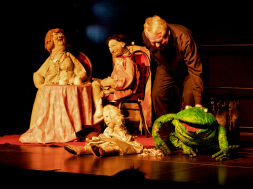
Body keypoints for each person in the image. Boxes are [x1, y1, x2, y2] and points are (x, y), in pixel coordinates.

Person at [142, 15, 204, 142]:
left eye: (161, 41)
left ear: (168, 33)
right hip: (166, 66)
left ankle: (187, 136)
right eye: (154, 42)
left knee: (189, 97)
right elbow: (155, 55)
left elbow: (195, 70)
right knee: (157, 95)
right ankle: (166, 135)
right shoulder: (146, 36)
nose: (158, 45)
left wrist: (199, 103)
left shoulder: (184, 38)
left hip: (188, 69)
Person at [92, 34, 140, 124]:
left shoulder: (128, 61)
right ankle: (99, 111)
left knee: (97, 87)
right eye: (109, 47)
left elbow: (129, 80)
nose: (111, 49)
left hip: (125, 88)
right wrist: (107, 80)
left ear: (122, 44)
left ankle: (99, 111)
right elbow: (115, 75)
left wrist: (112, 82)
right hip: (115, 86)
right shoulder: (119, 60)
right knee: (95, 84)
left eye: (113, 46)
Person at [64, 104, 144, 157]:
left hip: (120, 145)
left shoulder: (120, 128)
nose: (106, 120)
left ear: (114, 116)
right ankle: (82, 150)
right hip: (108, 143)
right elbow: (105, 136)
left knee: (114, 147)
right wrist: (99, 139)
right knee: (96, 143)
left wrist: (111, 140)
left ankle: (101, 151)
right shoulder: (108, 129)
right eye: (105, 118)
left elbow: (123, 141)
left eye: (107, 117)